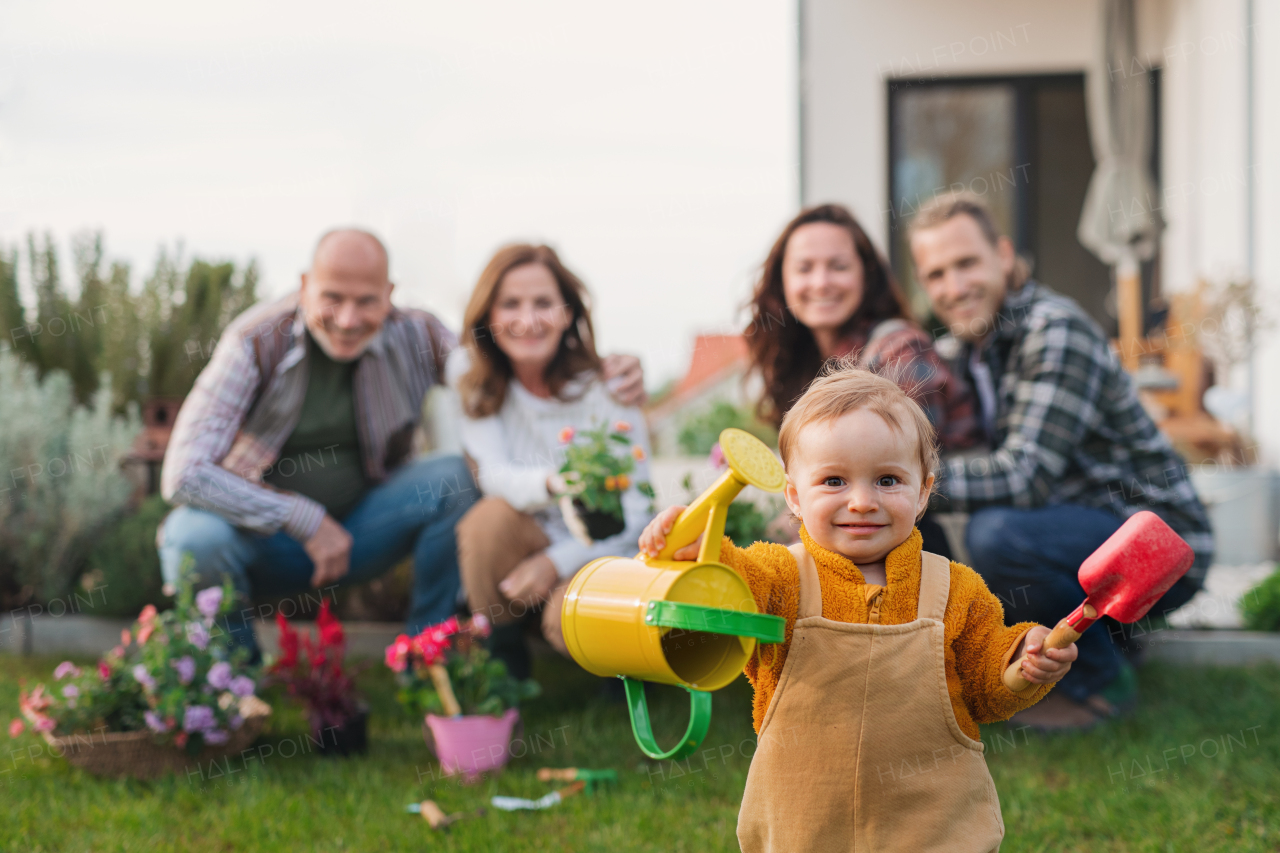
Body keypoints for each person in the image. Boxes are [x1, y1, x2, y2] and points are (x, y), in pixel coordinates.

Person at [640, 367, 1075, 852]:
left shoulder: (955, 588)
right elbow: (731, 583)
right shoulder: (779, 574)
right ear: (794, 497)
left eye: (887, 480)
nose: (862, 501)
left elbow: (985, 683)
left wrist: (1021, 662)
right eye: (834, 481)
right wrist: (701, 548)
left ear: (924, 491)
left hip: (931, 825)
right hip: (803, 826)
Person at [159, 229, 646, 657]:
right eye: (333, 297)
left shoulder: (416, 336)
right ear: (304, 286)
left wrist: (610, 369)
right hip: (261, 537)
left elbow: (496, 358)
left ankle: (426, 655)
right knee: (192, 539)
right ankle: (234, 690)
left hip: (363, 529)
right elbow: (183, 474)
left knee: (454, 477)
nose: (349, 319)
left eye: (367, 300)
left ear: (389, 294)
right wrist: (302, 518)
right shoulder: (253, 341)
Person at [907, 191, 1213, 731]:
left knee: (996, 536)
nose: (953, 288)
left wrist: (904, 481)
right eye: (936, 275)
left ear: (1003, 255)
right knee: (947, 519)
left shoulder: (1054, 329)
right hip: (1085, 529)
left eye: (966, 263)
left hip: (1161, 543)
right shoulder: (973, 348)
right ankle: (1103, 645)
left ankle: (1101, 686)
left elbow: (1023, 476)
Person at [449, 244, 653, 680]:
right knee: (485, 524)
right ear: (488, 316)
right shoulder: (475, 385)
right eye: (510, 304)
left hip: (605, 548)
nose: (528, 320)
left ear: (567, 313)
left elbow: (635, 513)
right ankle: (503, 665)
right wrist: (559, 481)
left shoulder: (609, 388)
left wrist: (555, 563)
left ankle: (621, 675)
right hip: (531, 530)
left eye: (543, 303)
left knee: (567, 620)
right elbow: (496, 476)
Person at [744, 203, 982, 557]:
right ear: (783, 282)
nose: (821, 282)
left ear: (866, 276)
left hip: (938, 539)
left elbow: (899, 479)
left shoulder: (900, 349)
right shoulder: (807, 364)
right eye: (804, 268)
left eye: (838, 266)